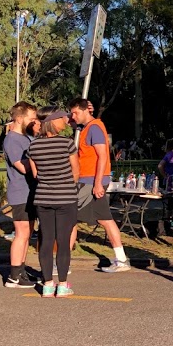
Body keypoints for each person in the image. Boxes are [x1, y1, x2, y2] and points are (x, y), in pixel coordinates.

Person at [67, 98, 130, 272]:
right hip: (88, 180)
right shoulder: (86, 127)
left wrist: (97, 183)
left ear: (85, 111)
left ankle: (63, 262)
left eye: (76, 113)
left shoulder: (94, 127)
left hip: (91, 181)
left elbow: (103, 156)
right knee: (103, 219)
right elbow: (68, 121)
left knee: (72, 218)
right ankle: (121, 259)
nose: (73, 116)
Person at [27, 108, 80, 297]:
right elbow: (76, 171)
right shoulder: (67, 143)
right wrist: (65, 182)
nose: (66, 120)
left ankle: (48, 284)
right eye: (62, 118)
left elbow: (35, 174)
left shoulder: (33, 146)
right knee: (63, 242)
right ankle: (63, 284)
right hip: (65, 197)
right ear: (53, 121)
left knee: (46, 240)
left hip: (43, 198)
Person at [3, 101, 38, 288]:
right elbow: (22, 167)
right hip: (20, 193)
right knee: (22, 233)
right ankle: (14, 275)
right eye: (30, 118)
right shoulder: (12, 140)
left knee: (28, 233)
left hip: (31, 192)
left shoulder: (27, 138)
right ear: (18, 118)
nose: (34, 122)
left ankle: (21, 271)